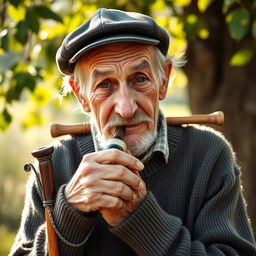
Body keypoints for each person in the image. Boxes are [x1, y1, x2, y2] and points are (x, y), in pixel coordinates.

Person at [10, 8, 256, 256]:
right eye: (104, 85)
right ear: (81, 95)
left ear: (163, 80)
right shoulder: (53, 165)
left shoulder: (208, 155)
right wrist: (69, 214)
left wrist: (140, 218)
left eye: (139, 79)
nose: (126, 109)